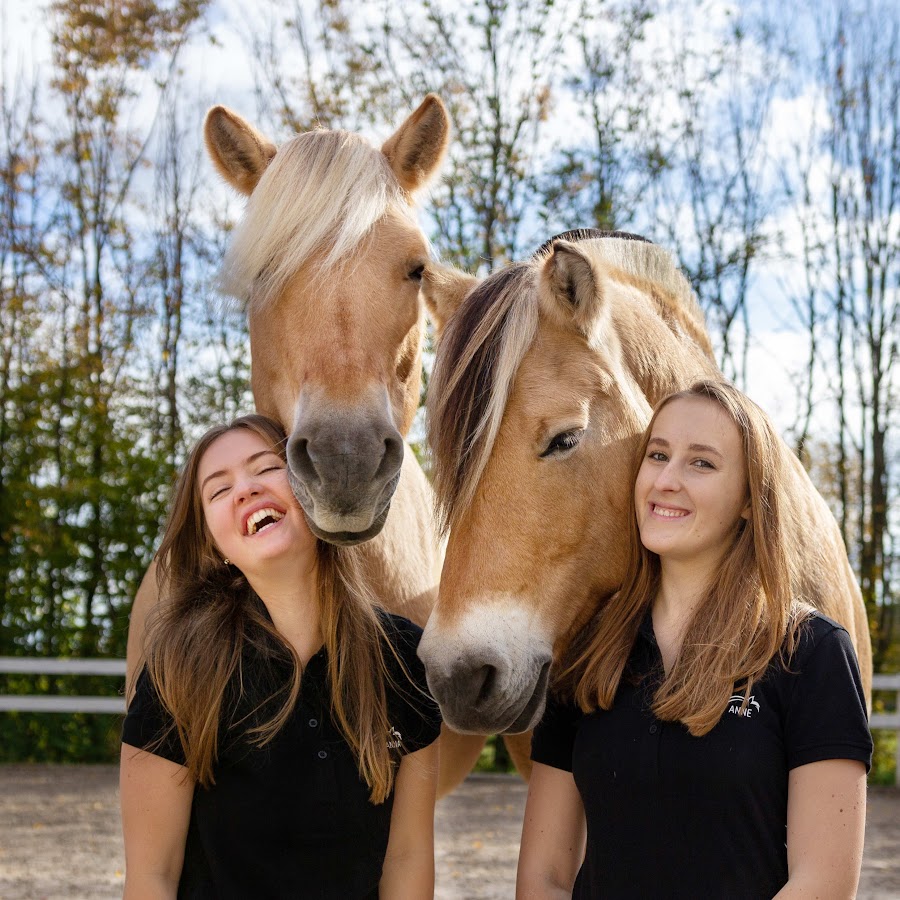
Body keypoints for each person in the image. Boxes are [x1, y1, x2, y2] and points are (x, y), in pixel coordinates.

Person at [516, 380, 872, 899]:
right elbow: (542, 877)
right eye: (657, 455)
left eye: (701, 463)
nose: (666, 479)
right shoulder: (585, 654)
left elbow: (824, 884)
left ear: (751, 500)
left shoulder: (810, 652)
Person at [120, 414, 441, 899]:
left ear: (311, 490)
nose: (245, 489)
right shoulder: (177, 670)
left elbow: (408, 860)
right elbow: (152, 876)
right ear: (214, 542)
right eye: (218, 490)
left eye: (266, 468)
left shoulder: (402, 660)